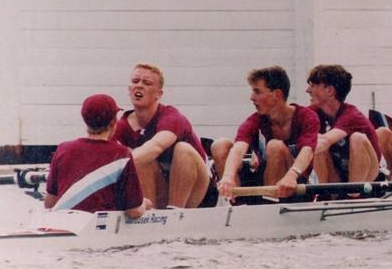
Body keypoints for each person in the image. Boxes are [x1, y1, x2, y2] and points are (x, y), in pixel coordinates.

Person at [114, 63, 215, 209]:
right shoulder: (123, 125)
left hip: (201, 191)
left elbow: (156, 146)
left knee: (182, 149)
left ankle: (175, 212)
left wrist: (118, 167)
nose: (139, 86)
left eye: (147, 83)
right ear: (129, 89)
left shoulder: (171, 116)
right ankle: (150, 215)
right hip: (163, 187)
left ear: (159, 94)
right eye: (135, 81)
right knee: (142, 160)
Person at [213, 66, 319, 200]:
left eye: (257, 92)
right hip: (265, 184)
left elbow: (307, 151)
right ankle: (236, 204)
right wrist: (228, 176)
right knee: (220, 146)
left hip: (295, 186)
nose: (251, 98)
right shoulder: (256, 120)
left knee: (275, 146)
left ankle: (269, 207)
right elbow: (238, 149)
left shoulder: (306, 116)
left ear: (277, 95)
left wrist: (291, 175)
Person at [45, 94, 150, 217]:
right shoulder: (122, 154)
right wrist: (144, 204)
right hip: (98, 229)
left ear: (85, 120)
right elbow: (134, 212)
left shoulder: (63, 149)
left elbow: (49, 203)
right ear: (113, 122)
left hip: (64, 225)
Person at [306, 64, 382, 183]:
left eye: (313, 85)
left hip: (368, 178)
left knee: (357, 138)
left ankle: (355, 195)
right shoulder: (313, 112)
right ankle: (329, 194)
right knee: (315, 141)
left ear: (330, 90)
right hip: (338, 174)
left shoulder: (352, 115)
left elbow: (325, 141)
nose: (308, 90)